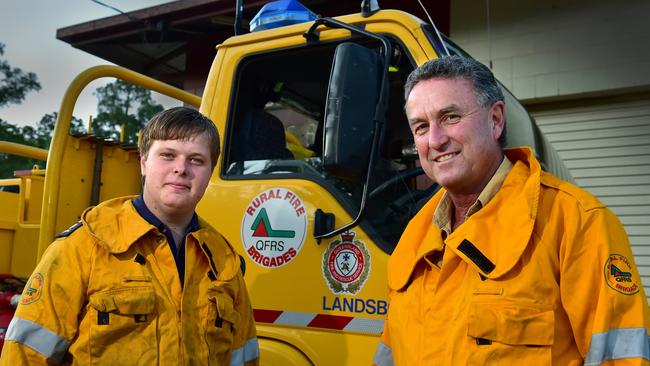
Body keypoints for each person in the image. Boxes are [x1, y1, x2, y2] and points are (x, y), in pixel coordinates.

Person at [373, 56, 650, 365]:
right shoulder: (414, 237)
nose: (435, 140)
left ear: (495, 120)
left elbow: (622, 358)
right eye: (421, 127)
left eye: (450, 117)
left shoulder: (578, 222)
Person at [1, 107, 259, 365]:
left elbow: (244, 358)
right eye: (167, 155)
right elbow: (25, 355)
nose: (181, 169)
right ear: (143, 162)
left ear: (210, 171)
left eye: (196, 160)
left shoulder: (224, 261)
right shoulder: (83, 247)